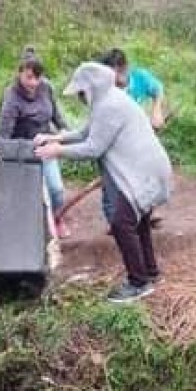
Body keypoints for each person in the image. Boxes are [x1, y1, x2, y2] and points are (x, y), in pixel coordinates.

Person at [34, 62, 172, 303]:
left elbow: (93, 148)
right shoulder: (109, 100)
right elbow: (85, 132)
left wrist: (57, 151)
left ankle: (139, 282)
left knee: (121, 224)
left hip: (143, 172)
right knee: (138, 224)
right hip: (148, 168)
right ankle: (150, 272)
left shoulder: (110, 105)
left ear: (92, 88)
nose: (80, 97)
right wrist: (54, 137)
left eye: (80, 92)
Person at [0, 49, 71, 238]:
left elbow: (57, 117)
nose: (33, 83)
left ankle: (58, 218)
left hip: (46, 148)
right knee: (31, 195)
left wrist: (65, 133)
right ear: (19, 72)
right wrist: (22, 150)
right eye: (29, 77)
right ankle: (28, 230)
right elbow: (3, 136)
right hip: (21, 152)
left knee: (56, 189)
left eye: (37, 78)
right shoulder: (11, 97)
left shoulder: (46, 87)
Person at [98, 48, 166, 227]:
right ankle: (114, 220)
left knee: (145, 174)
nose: (112, 80)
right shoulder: (105, 88)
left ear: (124, 68)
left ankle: (145, 213)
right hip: (114, 141)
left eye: (115, 75)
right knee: (112, 180)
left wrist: (157, 111)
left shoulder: (140, 77)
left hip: (139, 139)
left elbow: (158, 89)